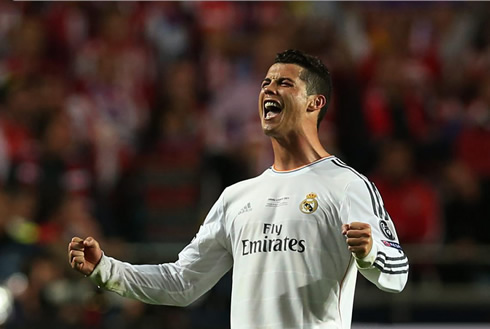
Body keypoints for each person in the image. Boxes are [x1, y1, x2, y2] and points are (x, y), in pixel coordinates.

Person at [68, 49, 408, 329]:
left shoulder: (347, 185)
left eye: (285, 83)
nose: (269, 90)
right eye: (266, 82)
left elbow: (398, 273)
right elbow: (183, 283)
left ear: (314, 103)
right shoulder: (237, 198)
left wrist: (370, 255)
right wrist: (106, 269)